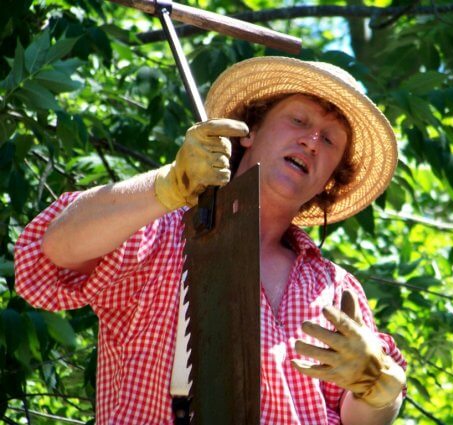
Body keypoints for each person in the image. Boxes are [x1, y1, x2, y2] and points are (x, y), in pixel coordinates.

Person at [15, 56, 407, 425]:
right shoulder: (160, 231)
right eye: (299, 120)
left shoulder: (336, 288)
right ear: (249, 132)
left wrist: (378, 389)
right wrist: (166, 186)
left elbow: (360, 417)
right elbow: (54, 251)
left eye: (330, 141)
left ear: (330, 179)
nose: (311, 141)